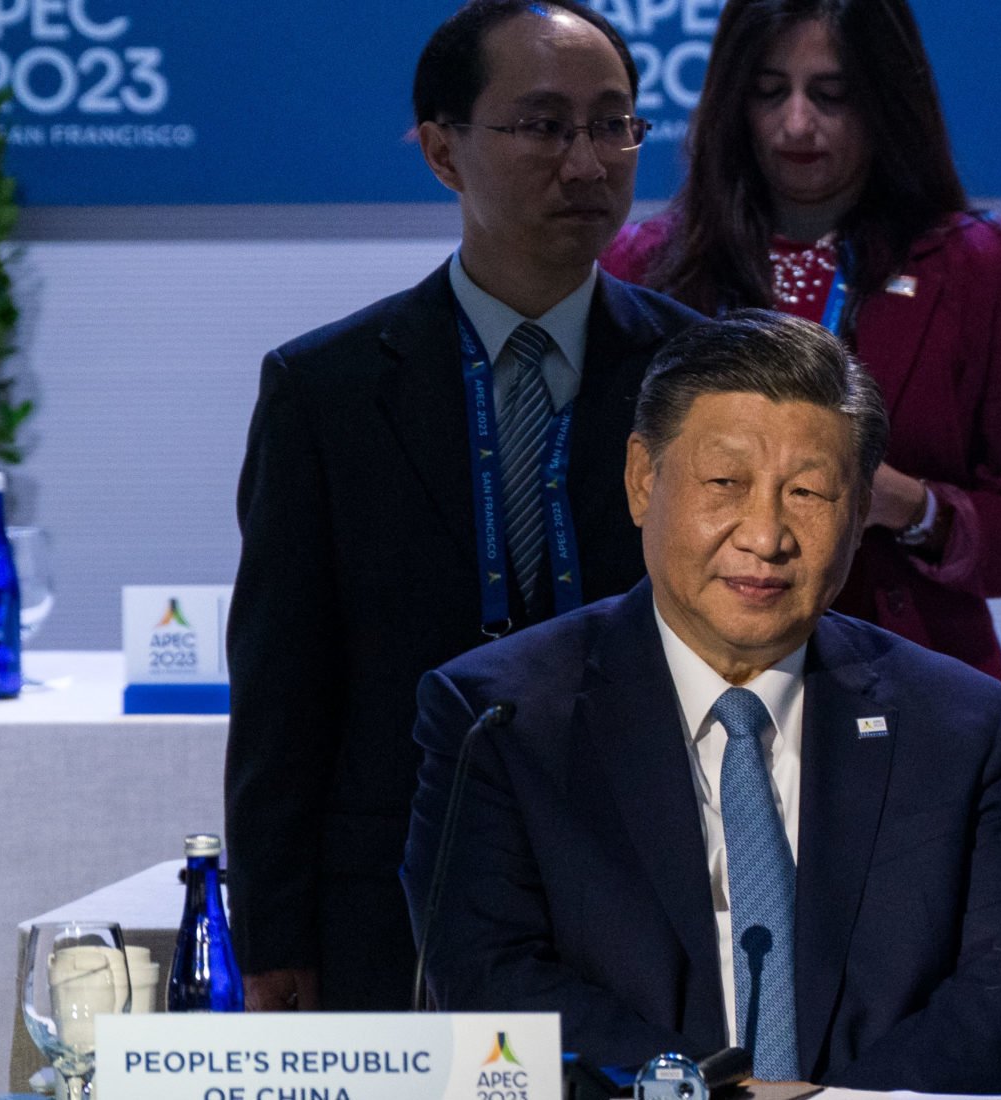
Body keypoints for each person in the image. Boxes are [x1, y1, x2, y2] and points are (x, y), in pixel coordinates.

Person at [402, 310, 1001, 1090]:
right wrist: (711, 1095)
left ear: (857, 520)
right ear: (643, 480)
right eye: (726, 484)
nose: (766, 534)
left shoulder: (956, 724)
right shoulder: (500, 718)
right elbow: (487, 974)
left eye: (809, 492)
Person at [224, 0, 700, 1012]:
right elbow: (282, 685)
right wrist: (272, 935)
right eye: (542, 126)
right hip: (397, 891)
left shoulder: (703, 374)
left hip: (654, 879)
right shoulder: (329, 389)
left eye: (612, 123)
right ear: (444, 151)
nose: (587, 162)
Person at [602, 0, 1001, 687]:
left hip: (908, 687)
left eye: (831, 95)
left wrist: (908, 507)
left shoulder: (975, 266)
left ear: (885, 99)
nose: (796, 123)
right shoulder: (644, 267)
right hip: (689, 684)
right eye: (769, 92)